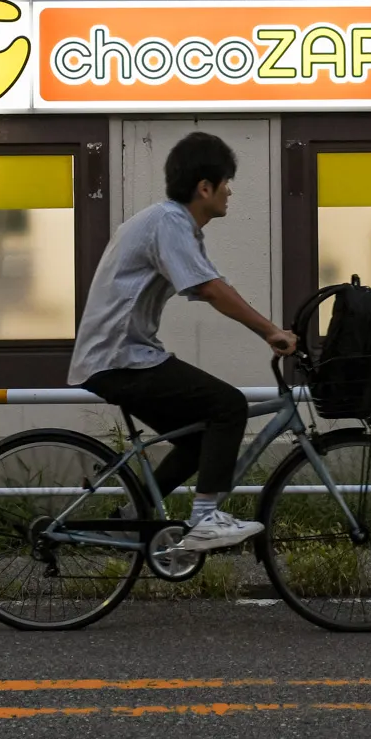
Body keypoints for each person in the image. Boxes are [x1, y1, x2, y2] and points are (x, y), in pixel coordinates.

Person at [68, 131, 299, 553]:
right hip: (121, 358)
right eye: (226, 181)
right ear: (204, 187)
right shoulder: (170, 222)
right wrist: (271, 331)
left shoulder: (173, 224)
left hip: (120, 356)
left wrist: (269, 328)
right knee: (228, 406)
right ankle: (205, 519)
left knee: (197, 441)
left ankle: (129, 520)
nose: (230, 191)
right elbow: (209, 289)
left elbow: (212, 284)